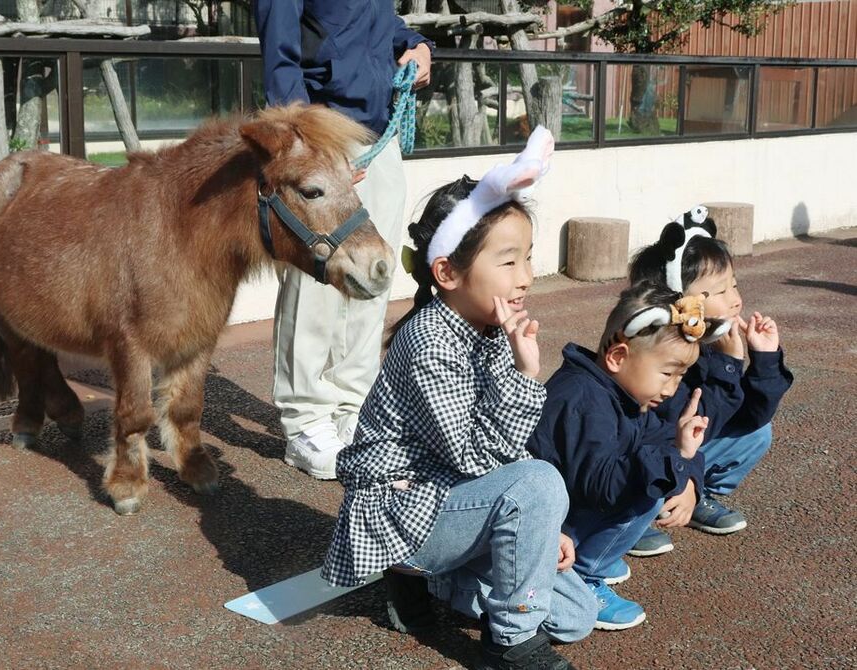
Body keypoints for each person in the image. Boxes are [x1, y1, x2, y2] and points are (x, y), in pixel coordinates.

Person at [322, 130, 597, 670]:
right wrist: (526, 373)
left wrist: (546, 530)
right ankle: (510, 644)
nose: (525, 278)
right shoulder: (429, 340)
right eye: (509, 261)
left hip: (454, 505)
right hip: (404, 511)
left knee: (576, 615)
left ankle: (445, 585)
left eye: (528, 259)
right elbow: (476, 457)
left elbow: (497, 456)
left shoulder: (489, 326)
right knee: (539, 481)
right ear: (447, 271)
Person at [254, 1, 434, 478]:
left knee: (373, 275)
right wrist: (308, 147)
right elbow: (280, 59)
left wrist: (414, 46)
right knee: (314, 281)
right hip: (324, 136)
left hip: (379, 135)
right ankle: (305, 421)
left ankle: (352, 408)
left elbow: (380, 25)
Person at [527, 281, 718, 631]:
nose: (673, 388)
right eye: (666, 373)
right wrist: (675, 457)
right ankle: (585, 573)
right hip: (546, 525)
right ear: (618, 357)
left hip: (572, 508)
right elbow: (602, 486)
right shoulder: (584, 400)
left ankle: (590, 556)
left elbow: (660, 437)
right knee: (649, 489)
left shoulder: (620, 393)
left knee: (663, 473)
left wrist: (688, 474)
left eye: (680, 375)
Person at [626, 206, 793, 556]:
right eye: (719, 292)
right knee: (665, 445)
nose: (736, 299)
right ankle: (630, 517)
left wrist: (763, 359)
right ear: (677, 299)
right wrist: (730, 365)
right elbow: (681, 423)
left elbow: (749, 415)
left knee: (757, 432)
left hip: (680, 450)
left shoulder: (713, 338)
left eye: (734, 285)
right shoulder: (659, 348)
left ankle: (697, 494)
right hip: (642, 456)